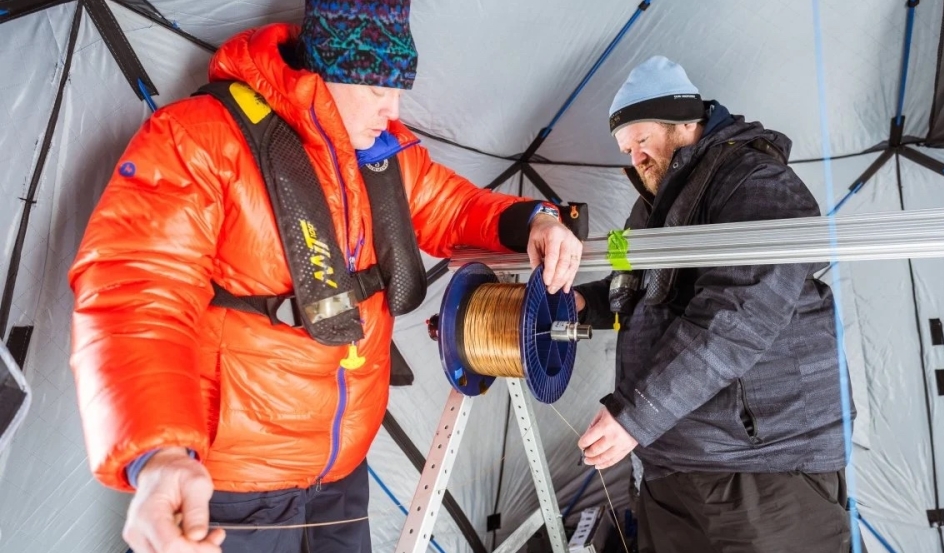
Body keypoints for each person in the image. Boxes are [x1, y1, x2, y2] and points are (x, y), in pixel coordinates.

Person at [67, 2, 582, 552]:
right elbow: (134, 294)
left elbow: (452, 207)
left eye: (400, 84)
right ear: (324, 69)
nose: (394, 105)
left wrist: (536, 221)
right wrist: (162, 455)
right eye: (377, 86)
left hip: (342, 483)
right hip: (232, 491)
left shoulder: (385, 154)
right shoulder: (197, 139)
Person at [574, 56, 861, 552]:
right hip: (670, 464)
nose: (636, 159)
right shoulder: (651, 209)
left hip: (764, 466)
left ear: (686, 122)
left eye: (642, 143)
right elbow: (641, 295)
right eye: (627, 149)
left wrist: (637, 415)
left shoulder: (755, 182)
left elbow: (738, 315)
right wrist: (583, 302)